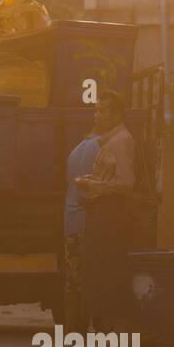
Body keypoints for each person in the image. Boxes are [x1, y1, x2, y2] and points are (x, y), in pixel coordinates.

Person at [75, 89, 136, 330]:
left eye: (103, 111)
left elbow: (125, 183)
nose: (96, 116)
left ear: (117, 114)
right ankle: (101, 327)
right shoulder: (110, 140)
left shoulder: (121, 142)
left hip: (109, 213)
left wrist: (92, 184)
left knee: (104, 269)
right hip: (101, 210)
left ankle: (105, 328)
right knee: (98, 269)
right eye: (96, 110)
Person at [63, 128, 101, 331]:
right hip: (86, 220)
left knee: (73, 278)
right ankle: (91, 326)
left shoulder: (77, 149)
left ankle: (73, 330)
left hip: (70, 219)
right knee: (92, 276)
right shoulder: (101, 148)